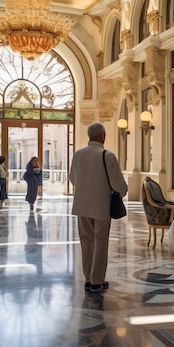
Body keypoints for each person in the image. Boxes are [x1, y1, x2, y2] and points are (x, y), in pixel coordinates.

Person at [70, 122, 127, 292]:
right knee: (101, 241)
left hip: (82, 204)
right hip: (102, 205)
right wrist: (123, 192)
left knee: (86, 241)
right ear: (103, 136)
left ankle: (88, 278)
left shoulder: (78, 154)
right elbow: (118, 184)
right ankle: (97, 280)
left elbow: (73, 179)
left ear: (89, 136)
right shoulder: (107, 155)